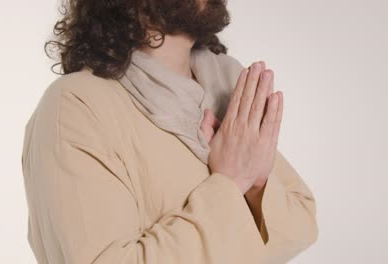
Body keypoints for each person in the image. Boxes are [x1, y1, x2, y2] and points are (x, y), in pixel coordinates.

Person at [21, 0, 318, 263]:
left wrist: (255, 184)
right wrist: (229, 182)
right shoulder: (77, 106)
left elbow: (301, 224)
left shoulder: (227, 85)